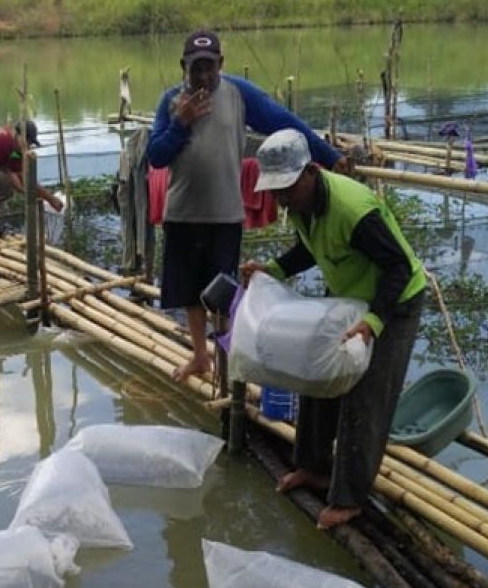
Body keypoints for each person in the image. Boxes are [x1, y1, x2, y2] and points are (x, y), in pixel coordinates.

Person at [241, 128, 426, 530]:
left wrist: (373, 324)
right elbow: (312, 248)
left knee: (365, 396)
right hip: (348, 298)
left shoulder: (353, 209)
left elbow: (400, 267)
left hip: (393, 303)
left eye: (287, 188)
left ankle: (349, 498)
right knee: (317, 375)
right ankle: (313, 467)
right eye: (275, 191)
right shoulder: (304, 205)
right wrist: (272, 270)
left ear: (310, 172)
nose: (281, 198)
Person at [147, 29, 345, 382]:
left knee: (222, 294)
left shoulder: (239, 94)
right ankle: (199, 356)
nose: (204, 77)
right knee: (191, 292)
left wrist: (329, 155)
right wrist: (181, 124)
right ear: (184, 67)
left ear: (221, 64)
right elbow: (156, 156)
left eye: (210, 68)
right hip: (182, 214)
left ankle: (225, 363)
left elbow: (284, 122)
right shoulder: (171, 101)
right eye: (196, 69)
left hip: (225, 215)